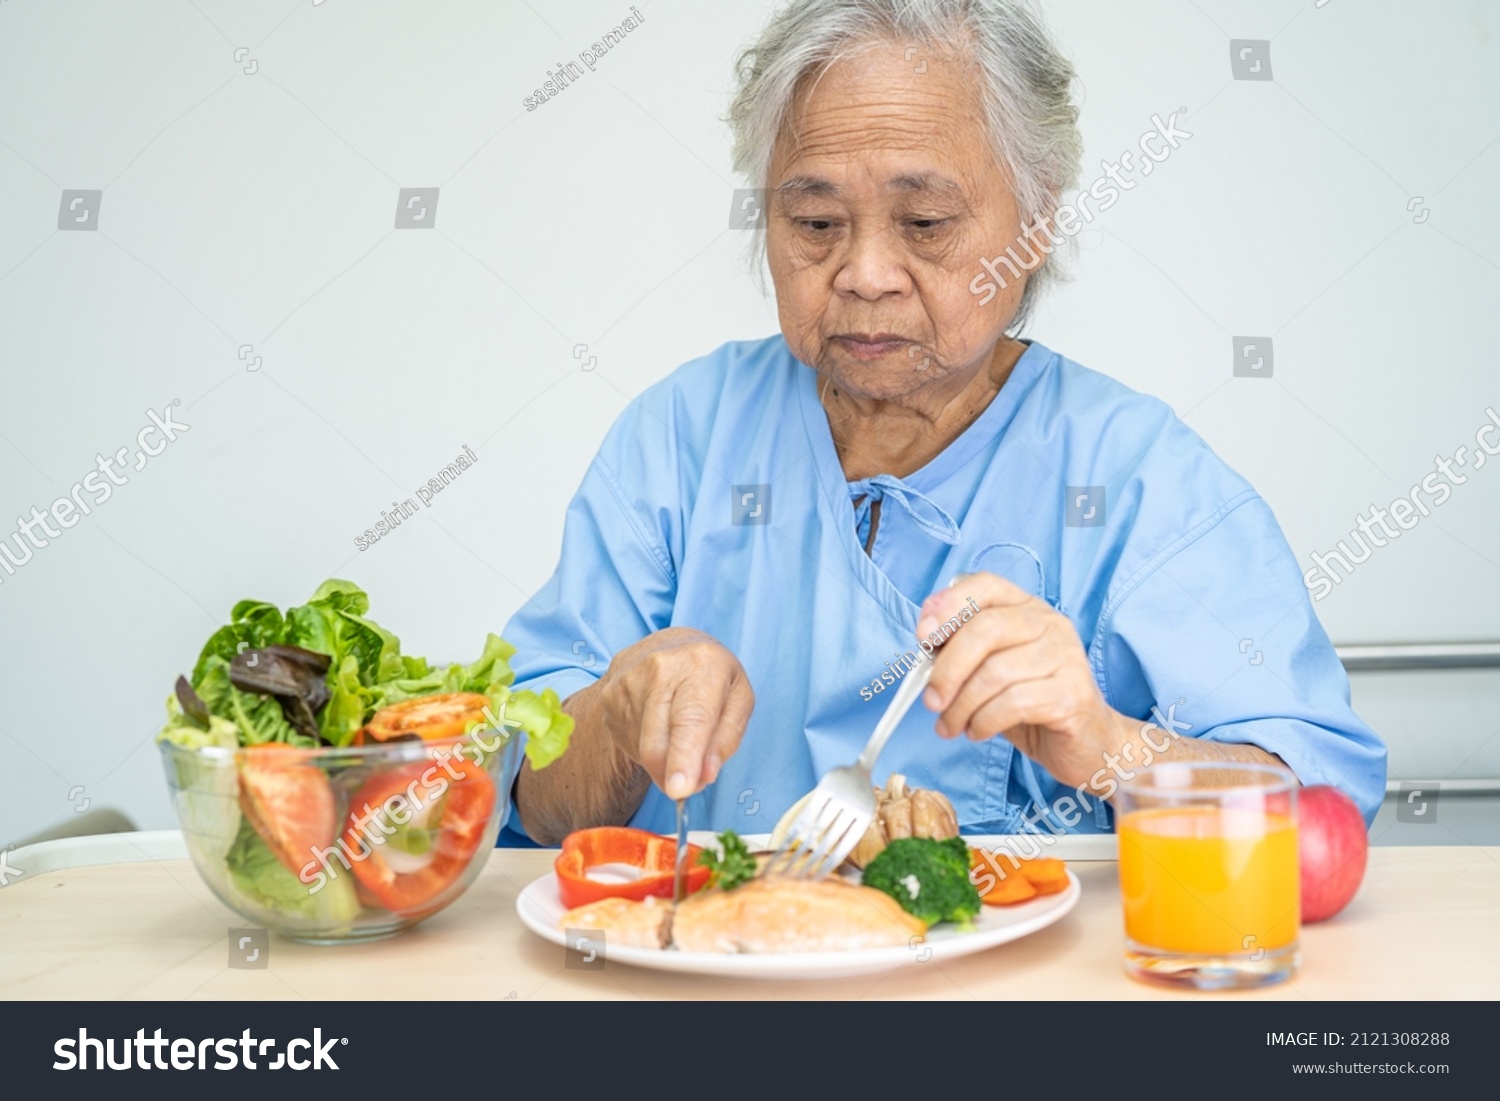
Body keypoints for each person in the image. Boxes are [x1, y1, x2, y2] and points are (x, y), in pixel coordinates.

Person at [499, 0, 1387, 845]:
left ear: (1037, 219)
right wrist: (613, 718)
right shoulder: (681, 438)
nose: (866, 273)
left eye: (924, 222)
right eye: (815, 221)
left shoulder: (1139, 477)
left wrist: (1109, 745)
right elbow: (527, 794)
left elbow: (1317, 805)